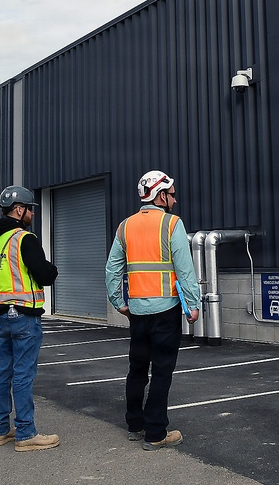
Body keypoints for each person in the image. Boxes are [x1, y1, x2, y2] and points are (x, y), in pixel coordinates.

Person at [106, 170, 201, 451]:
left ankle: (135, 425)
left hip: (137, 312)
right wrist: (193, 305)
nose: (174, 199)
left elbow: (112, 269)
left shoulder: (125, 226)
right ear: (160, 196)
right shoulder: (172, 224)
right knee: (161, 371)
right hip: (165, 311)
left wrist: (118, 302)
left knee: (137, 369)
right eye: (171, 194)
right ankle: (156, 433)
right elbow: (185, 269)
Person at [0, 185, 59, 452]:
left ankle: (0, 430)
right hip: (24, 316)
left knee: (2, 373)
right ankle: (26, 433)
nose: (32, 214)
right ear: (18, 210)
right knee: (23, 374)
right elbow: (44, 274)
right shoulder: (24, 238)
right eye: (30, 210)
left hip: (0, 314)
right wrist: (52, 269)